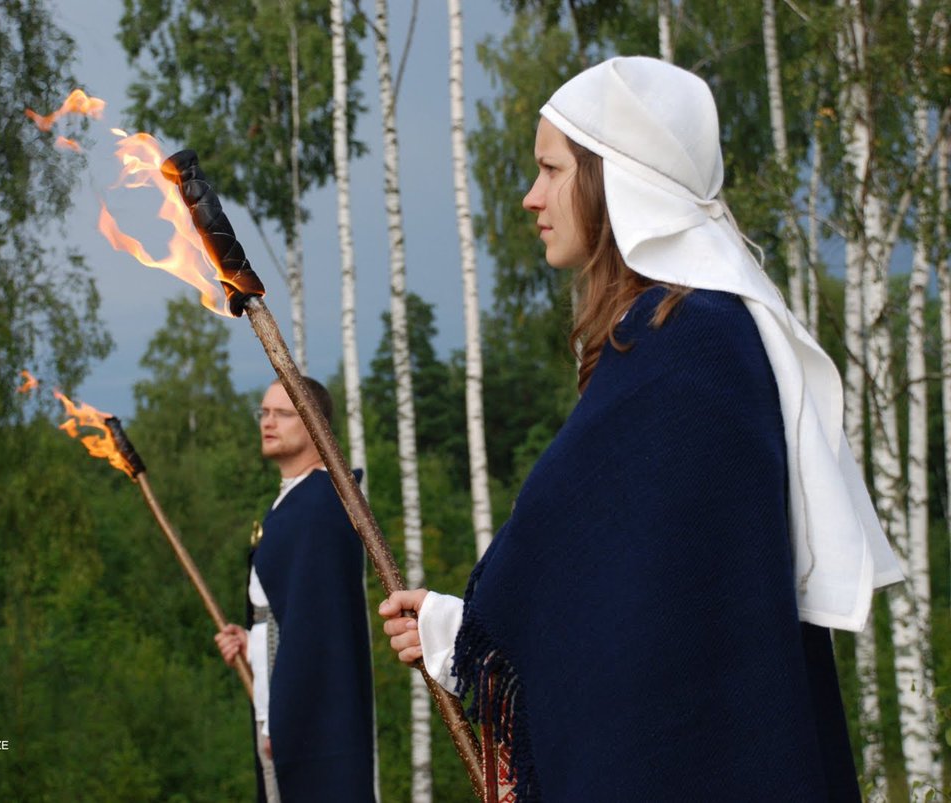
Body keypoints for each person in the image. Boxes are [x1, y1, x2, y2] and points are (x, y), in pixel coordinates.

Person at [379, 56, 902, 801]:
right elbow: (628, 590)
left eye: (551, 170)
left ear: (612, 178)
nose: (531, 197)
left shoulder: (691, 346)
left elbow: (620, 592)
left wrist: (470, 636)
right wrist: (453, 627)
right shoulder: (678, 334)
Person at [215, 377, 377, 802]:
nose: (268, 422)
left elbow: (314, 634)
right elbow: (288, 616)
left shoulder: (320, 505)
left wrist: (279, 723)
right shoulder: (297, 501)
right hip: (288, 710)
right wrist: (252, 641)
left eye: (282, 413)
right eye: (263, 412)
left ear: (315, 423)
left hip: (309, 722)